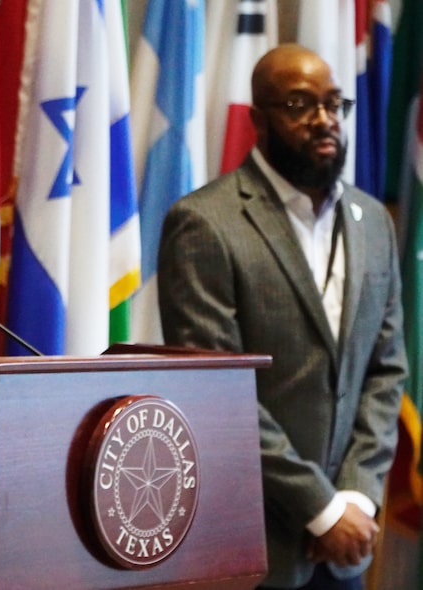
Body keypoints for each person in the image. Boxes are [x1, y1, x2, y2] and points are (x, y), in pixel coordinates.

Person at [157, 44, 407, 590]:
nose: (324, 120)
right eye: (299, 105)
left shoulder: (372, 223)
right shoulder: (205, 223)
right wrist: (320, 508)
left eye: (334, 104)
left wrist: (356, 496)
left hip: (347, 543)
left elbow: (386, 371)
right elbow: (219, 391)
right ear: (258, 120)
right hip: (253, 545)